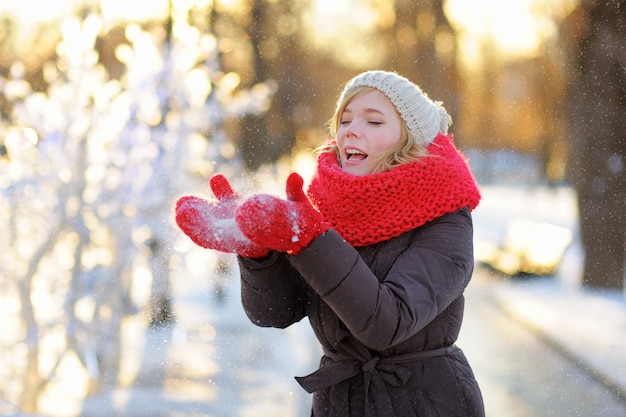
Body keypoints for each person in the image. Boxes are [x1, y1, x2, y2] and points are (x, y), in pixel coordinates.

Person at [175, 70, 485, 416]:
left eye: (374, 121)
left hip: (424, 402)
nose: (352, 129)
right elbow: (276, 313)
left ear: (409, 139)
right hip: (339, 402)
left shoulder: (445, 215)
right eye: (345, 119)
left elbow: (388, 323)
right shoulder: (328, 207)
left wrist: (310, 239)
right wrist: (259, 254)